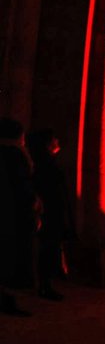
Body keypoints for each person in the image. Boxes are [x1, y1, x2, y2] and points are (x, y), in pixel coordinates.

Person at [26, 130, 71, 301]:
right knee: (47, 248)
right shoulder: (45, 164)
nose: (58, 141)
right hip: (49, 212)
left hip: (51, 211)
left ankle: (46, 283)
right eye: (54, 139)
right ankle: (44, 285)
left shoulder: (46, 161)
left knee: (49, 248)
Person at [1, 118, 36, 317]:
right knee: (10, 256)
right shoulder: (16, 155)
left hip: (9, 211)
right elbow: (22, 185)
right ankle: (7, 299)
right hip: (12, 214)